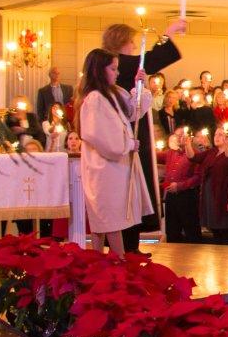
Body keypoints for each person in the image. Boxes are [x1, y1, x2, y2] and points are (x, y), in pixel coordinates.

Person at [104, 19, 184, 252]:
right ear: (121, 43)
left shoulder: (114, 64)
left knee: (135, 187)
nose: (132, 46)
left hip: (128, 128)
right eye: (130, 42)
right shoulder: (117, 63)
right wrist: (168, 33)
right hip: (127, 131)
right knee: (131, 186)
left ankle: (130, 244)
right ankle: (127, 247)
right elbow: (151, 59)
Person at [77, 47, 151, 252]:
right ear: (99, 70)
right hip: (104, 167)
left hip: (116, 166)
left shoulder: (114, 92)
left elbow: (134, 110)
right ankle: (116, 263)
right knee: (107, 219)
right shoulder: (94, 99)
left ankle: (104, 263)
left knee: (110, 219)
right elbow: (98, 135)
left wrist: (139, 83)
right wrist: (128, 144)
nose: (117, 73)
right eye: (113, 69)